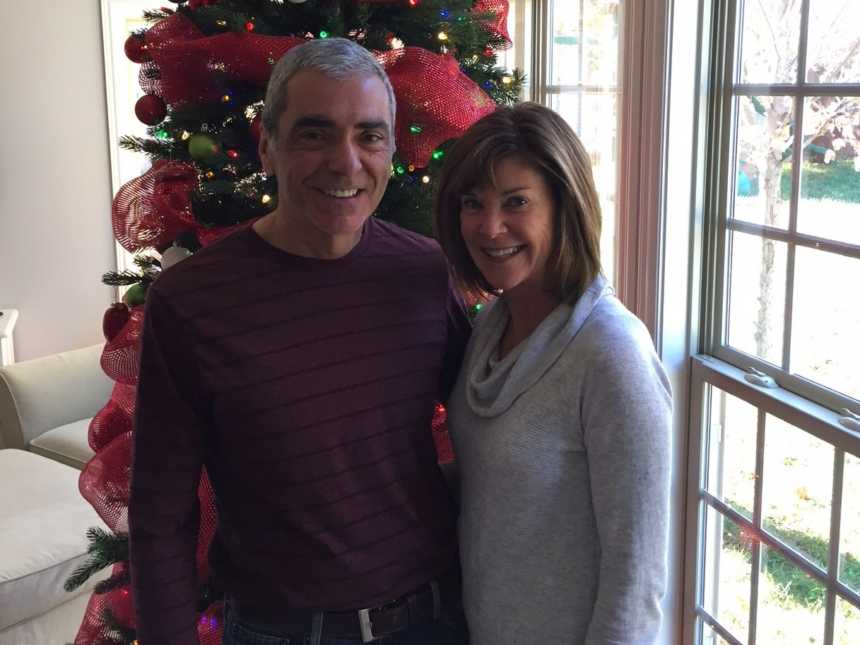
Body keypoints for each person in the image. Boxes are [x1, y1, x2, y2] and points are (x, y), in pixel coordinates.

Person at [129, 38, 471, 645]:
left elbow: (496, 423)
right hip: (279, 632)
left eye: (369, 135)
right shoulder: (190, 302)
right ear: (267, 145)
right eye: (315, 134)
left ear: (392, 148)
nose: (346, 162)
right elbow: (161, 513)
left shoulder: (425, 272)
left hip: (434, 621)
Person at [434, 102, 672, 644]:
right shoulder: (494, 322)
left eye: (516, 202)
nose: (490, 228)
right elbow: (493, 483)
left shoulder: (613, 355)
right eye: (474, 203)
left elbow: (635, 580)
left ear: (565, 207)